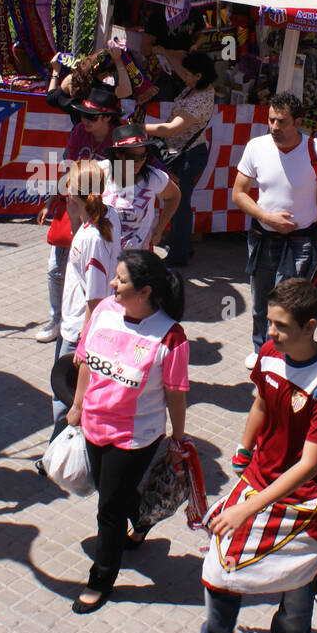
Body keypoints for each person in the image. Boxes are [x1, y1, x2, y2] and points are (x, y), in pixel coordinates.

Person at [176, 277, 317, 633]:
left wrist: (245, 508)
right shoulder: (270, 353)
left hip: (308, 502)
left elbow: (309, 466)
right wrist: (244, 447)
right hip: (260, 482)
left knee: (296, 585)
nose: (270, 333)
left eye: (281, 325)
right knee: (218, 565)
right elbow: (259, 403)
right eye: (269, 322)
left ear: (310, 326)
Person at [65, 250, 189, 613]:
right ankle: (143, 517)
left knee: (108, 509)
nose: (113, 285)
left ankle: (101, 578)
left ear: (146, 291)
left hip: (135, 437)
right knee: (109, 491)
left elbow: (176, 393)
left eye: (121, 280)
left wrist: (178, 439)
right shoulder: (104, 310)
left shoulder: (171, 337)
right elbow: (86, 361)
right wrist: (76, 406)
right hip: (93, 424)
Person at [231, 91, 317, 367]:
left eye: (282, 121)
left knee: (290, 304)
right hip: (262, 237)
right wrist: (267, 218)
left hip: (302, 241)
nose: (274, 127)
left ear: (298, 122)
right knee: (261, 300)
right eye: (271, 120)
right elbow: (239, 194)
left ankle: (286, 354)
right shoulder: (256, 147)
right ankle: (262, 351)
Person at [34, 84, 121, 342]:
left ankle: (91, 326)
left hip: (100, 216)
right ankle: (56, 319)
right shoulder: (79, 132)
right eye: (82, 114)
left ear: (107, 117)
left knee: (94, 275)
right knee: (56, 269)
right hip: (73, 207)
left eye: (91, 116)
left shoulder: (119, 141)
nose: (84, 120)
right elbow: (67, 169)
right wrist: (50, 202)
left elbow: (123, 186)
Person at [46, 160, 121, 443]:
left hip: (79, 327)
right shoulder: (108, 214)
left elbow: (96, 297)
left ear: (74, 194)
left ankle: (58, 451)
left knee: (63, 396)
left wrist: (84, 343)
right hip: (78, 321)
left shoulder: (91, 236)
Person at [145, 50, 218, 268]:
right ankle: (184, 245)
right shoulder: (197, 85)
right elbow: (179, 65)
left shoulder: (200, 100)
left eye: (187, 74)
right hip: (180, 153)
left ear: (198, 75)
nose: (182, 76)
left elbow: (170, 129)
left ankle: (178, 256)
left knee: (179, 204)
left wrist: (140, 128)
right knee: (178, 201)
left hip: (188, 156)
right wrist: (163, 50)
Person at [101, 123, 181, 251]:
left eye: (143, 156)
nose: (139, 162)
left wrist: (159, 229)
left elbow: (174, 196)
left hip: (138, 255)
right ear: (118, 154)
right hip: (104, 252)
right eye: (132, 157)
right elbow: (78, 198)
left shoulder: (154, 177)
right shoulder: (101, 171)